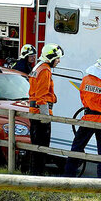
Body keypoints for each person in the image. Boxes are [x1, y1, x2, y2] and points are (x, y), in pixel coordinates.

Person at [64, 50, 101, 178]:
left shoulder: (86, 80)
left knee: (77, 148)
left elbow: (83, 98)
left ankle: (68, 177)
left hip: (88, 118)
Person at [28, 43, 64, 175]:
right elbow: (41, 95)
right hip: (40, 112)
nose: (59, 61)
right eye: (58, 58)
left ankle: (34, 173)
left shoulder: (38, 67)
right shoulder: (45, 70)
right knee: (42, 146)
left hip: (34, 111)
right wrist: (45, 116)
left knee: (36, 146)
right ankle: (38, 175)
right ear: (51, 57)